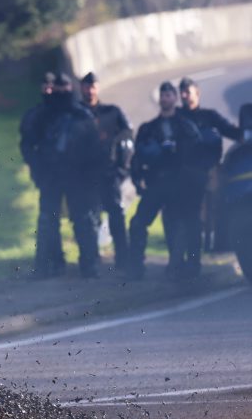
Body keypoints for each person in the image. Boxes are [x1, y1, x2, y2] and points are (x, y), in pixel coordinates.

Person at [20, 72, 103, 278]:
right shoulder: (41, 115)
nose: (59, 93)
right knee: (48, 221)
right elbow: (28, 144)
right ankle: (48, 264)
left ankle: (89, 264)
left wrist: (89, 176)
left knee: (82, 220)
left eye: (63, 88)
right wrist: (38, 169)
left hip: (77, 177)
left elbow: (94, 148)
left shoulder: (81, 115)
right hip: (51, 176)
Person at [127, 82, 203, 279]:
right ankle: (135, 268)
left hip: (180, 184)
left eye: (169, 95)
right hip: (157, 184)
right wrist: (138, 182)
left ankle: (183, 267)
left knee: (179, 225)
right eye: (162, 95)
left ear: (175, 98)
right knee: (137, 223)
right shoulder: (148, 129)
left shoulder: (186, 127)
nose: (164, 99)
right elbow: (137, 158)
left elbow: (196, 155)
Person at [177, 76, 241, 252]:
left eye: (187, 92)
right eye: (181, 92)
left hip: (209, 170)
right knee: (190, 213)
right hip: (185, 172)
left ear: (197, 94)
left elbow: (233, 132)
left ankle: (213, 244)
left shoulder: (210, 116)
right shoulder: (177, 118)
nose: (184, 96)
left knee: (213, 207)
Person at [80, 72, 133, 270]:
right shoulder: (76, 114)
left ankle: (123, 259)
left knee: (116, 215)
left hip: (109, 174)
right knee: (90, 218)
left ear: (98, 88)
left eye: (93, 86)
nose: (90, 90)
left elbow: (128, 135)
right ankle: (91, 262)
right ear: (81, 88)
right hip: (86, 175)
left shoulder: (112, 112)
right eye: (86, 86)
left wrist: (121, 169)